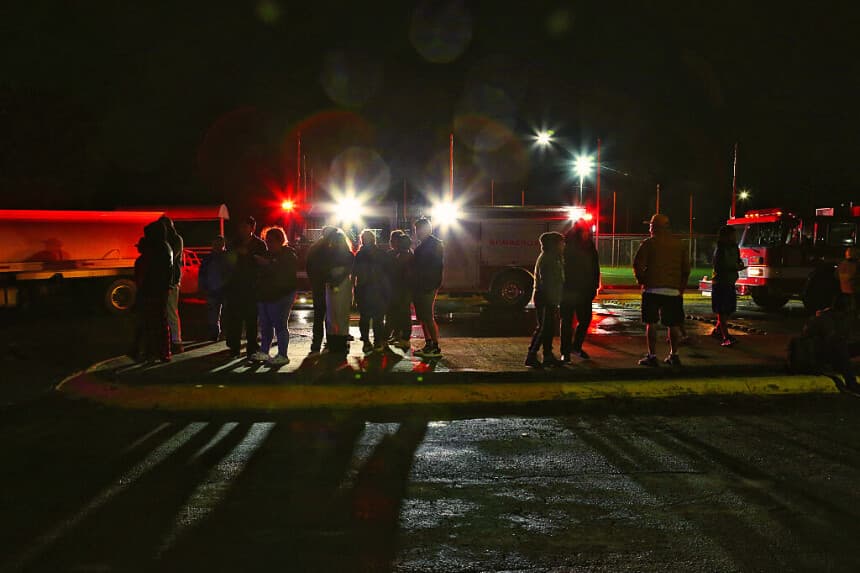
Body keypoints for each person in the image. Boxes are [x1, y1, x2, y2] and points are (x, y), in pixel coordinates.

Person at [633, 213, 691, 366]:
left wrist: (643, 281)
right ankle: (674, 354)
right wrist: (681, 288)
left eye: (650, 226)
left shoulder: (649, 244)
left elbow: (638, 264)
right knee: (673, 324)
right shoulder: (679, 245)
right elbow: (686, 269)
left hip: (652, 289)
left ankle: (652, 355)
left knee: (651, 323)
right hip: (673, 290)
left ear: (653, 227)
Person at [252, 227, 298, 365]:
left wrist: (268, 264)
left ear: (281, 241)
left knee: (280, 325)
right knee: (265, 325)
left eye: (271, 241)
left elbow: (284, 273)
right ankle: (264, 352)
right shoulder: (266, 254)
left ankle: (282, 354)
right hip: (266, 294)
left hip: (282, 294)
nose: (268, 244)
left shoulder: (289, 255)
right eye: (267, 241)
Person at [224, 216, 267, 359]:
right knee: (235, 318)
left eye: (245, 226)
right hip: (235, 287)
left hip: (252, 287)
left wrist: (247, 255)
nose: (241, 229)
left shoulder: (259, 244)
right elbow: (227, 262)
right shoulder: (234, 243)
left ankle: (251, 348)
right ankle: (234, 348)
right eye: (240, 226)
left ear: (252, 228)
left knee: (251, 320)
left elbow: (262, 264)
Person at [560, 219, 600, 361]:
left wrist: (594, 286)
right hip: (571, 289)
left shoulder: (588, 247)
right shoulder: (569, 247)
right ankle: (567, 351)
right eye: (585, 231)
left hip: (581, 290)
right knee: (568, 321)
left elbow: (595, 268)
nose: (587, 233)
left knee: (582, 320)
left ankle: (573, 348)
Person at [133, 221, 173, 362]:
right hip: (159, 289)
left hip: (151, 290)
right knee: (159, 321)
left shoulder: (156, 250)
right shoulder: (165, 248)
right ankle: (161, 352)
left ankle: (154, 352)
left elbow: (146, 273)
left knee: (152, 321)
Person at [525, 232, 565, 368]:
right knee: (544, 328)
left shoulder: (552, 258)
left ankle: (547, 356)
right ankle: (531, 355)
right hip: (545, 297)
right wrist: (552, 299)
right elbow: (548, 281)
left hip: (549, 297)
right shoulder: (548, 259)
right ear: (554, 244)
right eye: (560, 243)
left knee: (548, 328)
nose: (563, 245)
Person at [353, 229, 392, 354]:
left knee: (364, 318)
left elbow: (355, 274)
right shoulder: (381, 253)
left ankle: (366, 342)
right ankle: (377, 341)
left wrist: (354, 291)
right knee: (378, 318)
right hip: (378, 290)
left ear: (362, 240)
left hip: (363, 289)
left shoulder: (359, 255)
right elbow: (387, 274)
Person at [411, 218, 444, 357]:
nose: (416, 233)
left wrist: (428, 285)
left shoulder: (429, 246)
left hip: (425, 286)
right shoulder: (433, 244)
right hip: (425, 285)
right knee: (424, 317)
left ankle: (434, 346)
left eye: (417, 229)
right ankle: (429, 344)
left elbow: (433, 268)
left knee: (427, 316)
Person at [711, 225, 745, 346]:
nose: (735, 237)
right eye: (732, 235)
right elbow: (719, 267)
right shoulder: (720, 250)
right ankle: (725, 337)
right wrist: (735, 267)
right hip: (720, 283)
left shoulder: (735, 248)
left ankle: (717, 331)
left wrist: (740, 264)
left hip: (730, 282)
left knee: (729, 309)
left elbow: (738, 260)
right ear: (725, 236)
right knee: (722, 310)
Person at [306, 226, 337, 354]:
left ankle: (316, 343)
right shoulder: (333, 248)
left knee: (318, 315)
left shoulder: (314, 248)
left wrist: (314, 281)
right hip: (329, 285)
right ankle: (330, 342)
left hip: (318, 285)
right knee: (330, 316)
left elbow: (308, 266)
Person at [324, 228, 355, 356]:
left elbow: (325, 268)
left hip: (334, 284)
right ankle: (341, 342)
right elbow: (349, 270)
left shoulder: (329, 253)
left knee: (333, 314)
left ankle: (334, 342)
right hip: (342, 284)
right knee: (341, 313)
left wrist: (333, 280)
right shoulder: (348, 254)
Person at [159, 215, 184, 354]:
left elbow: (171, 259)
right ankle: (173, 339)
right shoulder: (174, 239)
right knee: (169, 310)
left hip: (172, 280)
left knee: (171, 310)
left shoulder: (174, 240)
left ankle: (176, 340)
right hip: (171, 279)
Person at [387, 230, 414, 351]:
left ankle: (404, 338)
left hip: (402, 289)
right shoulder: (397, 254)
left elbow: (399, 272)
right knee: (398, 312)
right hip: (399, 289)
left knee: (403, 313)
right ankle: (398, 335)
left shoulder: (404, 255)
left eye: (393, 240)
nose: (391, 242)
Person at [198, 235, 229, 341]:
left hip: (215, 288)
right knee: (220, 313)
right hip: (220, 289)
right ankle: (220, 333)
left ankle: (216, 333)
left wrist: (203, 286)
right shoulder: (225, 257)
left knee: (214, 313)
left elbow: (202, 274)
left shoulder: (209, 258)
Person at [835, 247, 859, 314]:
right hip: (854, 290)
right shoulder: (856, 265)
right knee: (853, 309)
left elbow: (836, 276)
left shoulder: (842, 264)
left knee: (847, 308)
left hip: (844, 290)